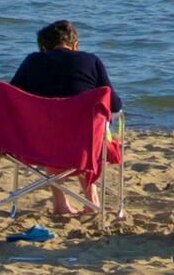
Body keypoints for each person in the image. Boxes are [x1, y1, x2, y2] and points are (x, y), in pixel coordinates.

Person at [8, 20, 123, 216]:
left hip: (38, 145)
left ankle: (60, 204)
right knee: (90, 126)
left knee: (54, 127)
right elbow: (115, 104)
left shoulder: (32, 61)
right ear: (75, 45)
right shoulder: (91, 61)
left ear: (43, 48)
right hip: (85, 145)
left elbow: (12, 98)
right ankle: (91, 200)